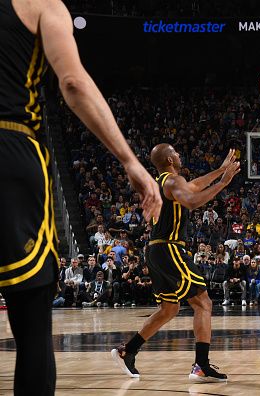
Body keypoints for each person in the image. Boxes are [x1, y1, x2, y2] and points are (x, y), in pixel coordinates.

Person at [0, 1, 161, 394]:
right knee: (32, 323)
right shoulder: (41, 4)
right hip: (11, 149)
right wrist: (130, 161)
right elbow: (72, 82)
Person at [111, 144, 240, 382]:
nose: (180, 155)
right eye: (177, 153)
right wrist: (222, 183)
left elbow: (193, 186)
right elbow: (191, 200)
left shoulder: (162, 182)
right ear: (170, 159)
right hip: (170, 248)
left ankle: (128, 351)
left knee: (169, 309)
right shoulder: (173, 181)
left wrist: (220, 171)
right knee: (203, 303)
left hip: (155, 250)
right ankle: (201, 365)